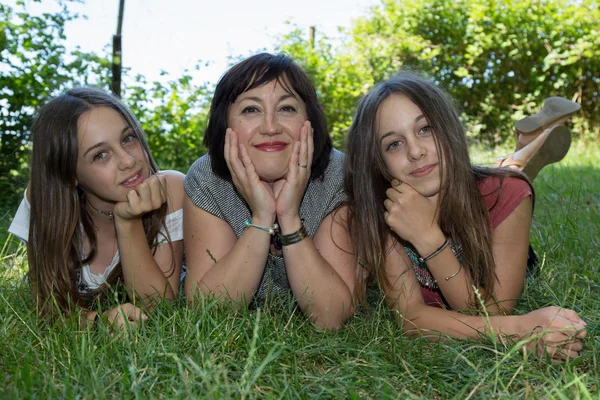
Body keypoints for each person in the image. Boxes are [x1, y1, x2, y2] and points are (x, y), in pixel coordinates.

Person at [344, 72, 586, 361]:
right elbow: (412, 319)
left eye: (426, 129)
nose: (416, 151)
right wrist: (519, 330)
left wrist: (429, 238)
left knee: (511, 179)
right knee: (504, 173)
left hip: (491, 227)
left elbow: (491, 308)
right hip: (468, 186)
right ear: (378, 162)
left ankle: (523, 151)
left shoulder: (505, 195)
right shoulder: (386, 212)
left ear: (448, 128)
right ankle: (525, 145)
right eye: (393, 144)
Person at [183, 53, 361, 329]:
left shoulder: (338, 174)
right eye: (250, 110)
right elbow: (210, 312)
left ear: (309, 122)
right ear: (225, 124)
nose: (270, 127)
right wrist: (262, 216)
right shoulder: (207, 178)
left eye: (287, 108)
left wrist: (288, 216)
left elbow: (330, 314)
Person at [8, 87, 185, 328]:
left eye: (127, 138)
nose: (128, 161)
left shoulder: (170, 188)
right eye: (101, 155)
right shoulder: (44, 201)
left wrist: (128, 222)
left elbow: (159, 307)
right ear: (69, 173)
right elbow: (50, 308)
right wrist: (100, 322)